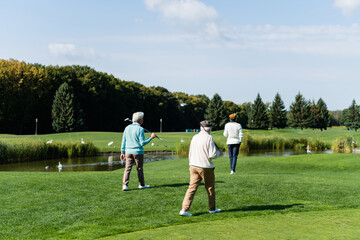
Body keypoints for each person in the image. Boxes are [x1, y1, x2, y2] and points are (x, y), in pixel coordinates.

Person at [179, 120, 221, 217]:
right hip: (205, 167)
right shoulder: (209, 138)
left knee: (191, 188)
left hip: (193, 165)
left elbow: (190, 152)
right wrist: (219, 152)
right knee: (210, 188)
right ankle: (212, 209)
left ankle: (184, 209)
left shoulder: (195, 137)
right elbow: (212, 155)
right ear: (209, 129)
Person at [121, 112, 156, 191]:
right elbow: (142, 143)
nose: (143, 120)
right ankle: (141, 185)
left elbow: (124, 141)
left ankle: (125, 185)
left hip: (128, 152)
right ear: (140, 120)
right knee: (139, 169)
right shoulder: (140, 129)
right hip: (138, 152)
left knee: (127, 169)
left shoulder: (127, 128)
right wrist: (151, 138)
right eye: (142, 119)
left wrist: (122, 152)